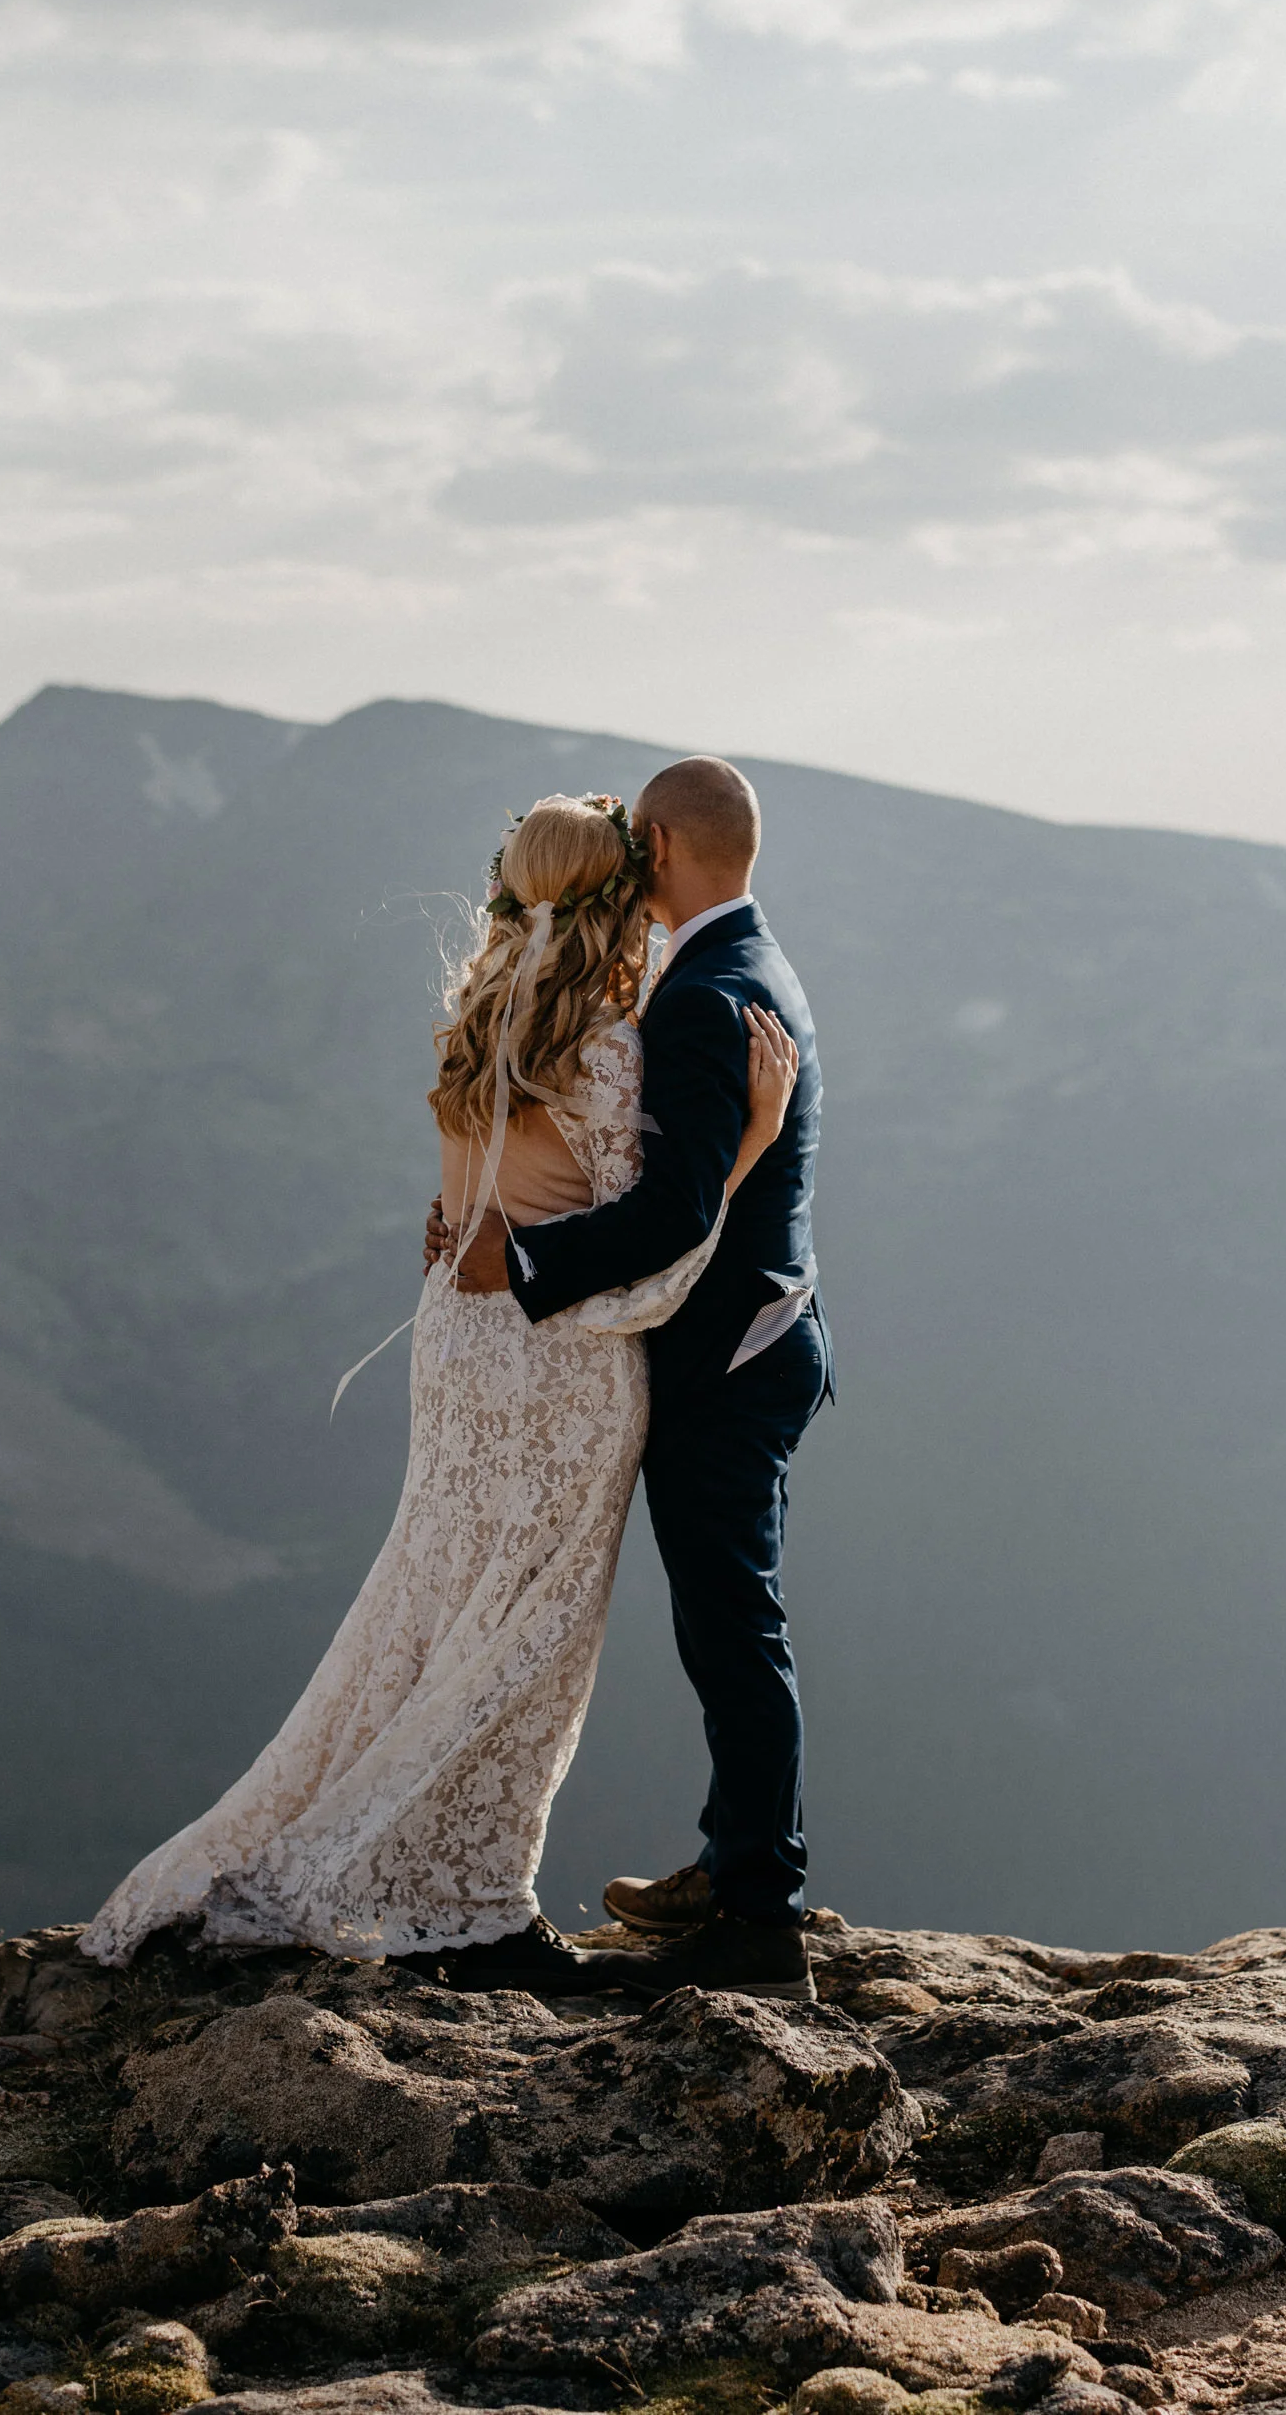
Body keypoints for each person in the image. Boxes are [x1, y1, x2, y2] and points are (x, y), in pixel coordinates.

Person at [78, 792, 797, 1998]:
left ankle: (373, 1865)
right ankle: (470, 1903)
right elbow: (649, 1257)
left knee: (430, 1598)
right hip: (549, 1356)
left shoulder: (479, 1015)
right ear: (619, 892)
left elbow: (485, 1204)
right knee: (529, 1633)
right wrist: (751, 1139)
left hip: (455, 1342)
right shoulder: (607, 1044)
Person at [441, 756, 834, 2003]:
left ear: (655, 846)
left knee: (732, 1626)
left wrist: (525, 1258)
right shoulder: (749, 964)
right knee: (723, 1620)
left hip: (728, 1355)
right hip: (753, 1341)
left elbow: (671, 1210)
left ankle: (760, 1918)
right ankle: (731, 1866)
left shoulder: (701, 997)